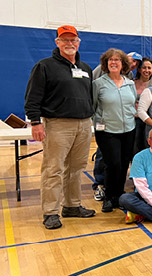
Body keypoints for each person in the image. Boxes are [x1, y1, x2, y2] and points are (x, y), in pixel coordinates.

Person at [26, 25, 101, 229]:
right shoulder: (45, 66)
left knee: (76, 168)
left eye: (73, 40)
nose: (69, 44)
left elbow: (89, 97)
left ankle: (72, 206)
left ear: (78, 43)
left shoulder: (85, 69)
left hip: (84, 124)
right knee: (54, 169)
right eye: (65, 40)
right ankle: (50, 212)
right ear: (57, 42)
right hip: (57, 124)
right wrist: (35, 123)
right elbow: (32, 97)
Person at [92, 49, 141, 213]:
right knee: (112, 163)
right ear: (106, 63)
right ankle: (108, 197)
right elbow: (93, 107)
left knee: (123, 164)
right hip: (107, 131)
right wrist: (99, 123)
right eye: (110, 60)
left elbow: (132, 103)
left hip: (128, 129)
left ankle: (118, 196)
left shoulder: (130, 84)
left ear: (123, 64)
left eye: (117, 60)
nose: (114, 62)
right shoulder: (98, 84)